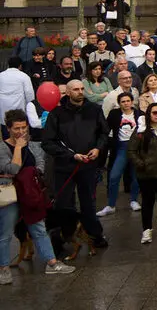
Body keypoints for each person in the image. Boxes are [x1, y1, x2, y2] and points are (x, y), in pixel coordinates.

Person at [0, 109, 78, 285]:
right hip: (10, 193)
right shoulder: (2, 147)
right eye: (16, 128)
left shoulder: (32, 144)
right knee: (5, 233)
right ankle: (3, 268)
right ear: (8, 128)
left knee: (38, 228)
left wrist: (33, 174)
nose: (21, 132)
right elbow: (12, 169)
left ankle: (51, 262)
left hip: (30, 193)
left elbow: (40, 162)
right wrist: (18, 148)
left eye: (24, 127)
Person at [40, 79, 109, 249]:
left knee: (88, 202)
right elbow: (47, 142)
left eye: (82, 89)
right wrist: (71, 155)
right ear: (68, 92)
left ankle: (94, 234)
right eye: (76, 89)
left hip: (88, 165)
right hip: (65, 167)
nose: (80, 92)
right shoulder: (56, 114)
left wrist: (98, 149)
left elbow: (104, 133)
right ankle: (61, 239)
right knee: (63, 204)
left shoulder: (94, 109)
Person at [128, 102, 157, 243]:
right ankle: (146, 230)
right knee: (147, 202)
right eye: (154, 112)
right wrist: (141, 164)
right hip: (145, 173)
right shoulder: (140, 131)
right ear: (148, 114)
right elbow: (131, 150)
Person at [100, 92, 143, 215]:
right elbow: (106, 129)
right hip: (121, 147)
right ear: (119, 103)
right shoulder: (114, 114)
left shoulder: (139, 114)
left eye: (128, 101)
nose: (126, 103)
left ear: (132, 102)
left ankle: (134, 200)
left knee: (135, 176)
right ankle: (111, 205)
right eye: (123, 101)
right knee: (114, 176)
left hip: (136, 148)